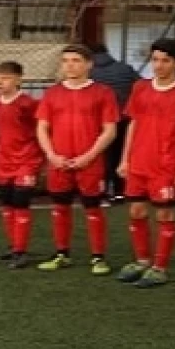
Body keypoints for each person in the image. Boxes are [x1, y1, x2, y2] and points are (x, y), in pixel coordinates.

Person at [115, 39, 175, 289]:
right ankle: (142, 261)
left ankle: (160, 267)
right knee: (136, 211)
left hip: (166, 165)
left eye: (165, 60)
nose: (159, 65)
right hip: (138, 163)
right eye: (155, 60)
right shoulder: (140, 87)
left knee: (164, 214)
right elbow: (133, 123)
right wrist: (125, 158)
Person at [35, 45, 118, 275]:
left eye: (75, 60)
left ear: (89, 64)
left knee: (93, 208)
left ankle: (98, 257)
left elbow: (110, 131)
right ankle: (62, 254)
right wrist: (51, 155)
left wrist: (88, 156)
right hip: (59, 162)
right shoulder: (52, 93)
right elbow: (42, 128)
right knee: (59, 207)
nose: (69, 65)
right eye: (65, 61)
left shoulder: (103, 93)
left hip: (90, 163)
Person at [0, 61, 42, 269]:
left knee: (21, 202)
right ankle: (13, 246)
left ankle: (21, 251)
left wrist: (39, 158)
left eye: (5, 78)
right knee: (7, 203)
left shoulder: (28, 104)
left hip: (26, 161)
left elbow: (40, 130)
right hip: (4, 161)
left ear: (18, 80)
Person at [88, 41, 139, 201]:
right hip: (125, 118)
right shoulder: (125, 68)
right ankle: (120, 191)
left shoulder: (89, 72)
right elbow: (141, 86)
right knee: (121, 153)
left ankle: (104, 190)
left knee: (104, 155)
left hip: (101, 121)